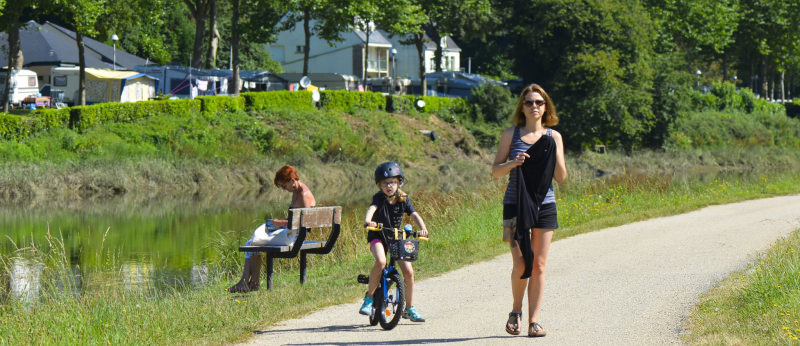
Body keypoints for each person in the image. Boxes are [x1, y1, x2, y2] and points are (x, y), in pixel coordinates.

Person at [491, 84, 567, 337]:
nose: (534, 106)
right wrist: (514, 162)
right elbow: (495, 171)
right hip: (514, 205)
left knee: (540, 265)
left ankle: (534, 320)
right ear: (521, 107)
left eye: (539, 102)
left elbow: (562, 177)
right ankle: (515, 310)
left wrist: (551, 153)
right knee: (521, 262)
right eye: (529, 102)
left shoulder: (553, 137)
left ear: (546, 107)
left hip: (545, 205)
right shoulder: (511, 135)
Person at [358, 161, 430, 322]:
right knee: (381, 261)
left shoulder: (403, 199)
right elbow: (372, 209)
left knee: (409, 272)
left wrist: (423, 228)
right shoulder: (379, 198)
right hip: (378, 236)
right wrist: (368, 221)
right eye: (384, 183)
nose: (388, 186)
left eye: (392, 182)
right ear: (379, 185)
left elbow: (414, 214)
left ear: (399, 182)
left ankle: (409, 308)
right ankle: (369, 299)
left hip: (396, 238)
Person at [227, 165, 316, 293]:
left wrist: (280, 223)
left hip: (295, 238)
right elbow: (297, 220)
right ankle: (248, 283)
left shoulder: (303, 194)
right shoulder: (298, 191)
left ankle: (249, 283)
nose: (284, 189)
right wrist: (281, 225)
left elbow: (305, 222)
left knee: (252, 242)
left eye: (283, 186)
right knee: (252, 241)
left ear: (291, 180)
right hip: (293, 234)